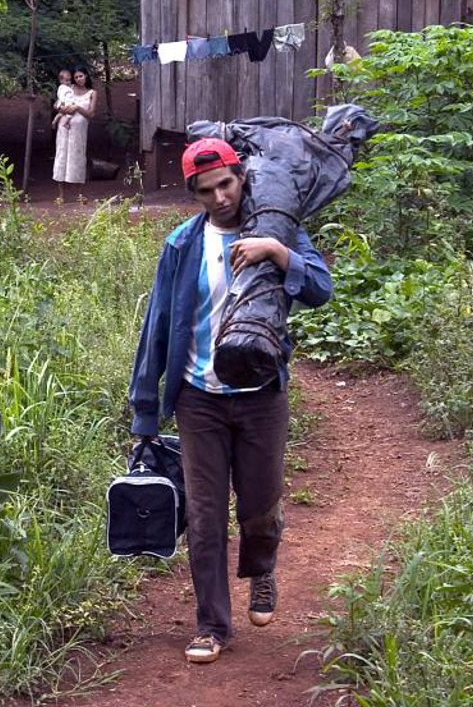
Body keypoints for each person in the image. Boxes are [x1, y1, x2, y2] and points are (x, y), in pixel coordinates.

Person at [127, 138, 333, 664]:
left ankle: (261, 569)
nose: (220, 197)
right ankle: (211, 626)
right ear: (194, 194)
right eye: (206, 190)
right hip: (199, 398)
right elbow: (159, 327)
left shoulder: (276, 228)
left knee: (260, 506)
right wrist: (145, 410)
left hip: (261, 394)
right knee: (204, 514)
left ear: (242, 178)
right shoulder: (181, 245)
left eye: (226, 184)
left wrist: (277, 253)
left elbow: (321, 288)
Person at [51, 65, 96, 202]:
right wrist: (64, 109)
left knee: (78, 158)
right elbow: (57, 105)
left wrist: (77, 108)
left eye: (81, 76)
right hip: (64, 128)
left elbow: (91, 114)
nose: (78, 79)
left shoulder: (92, 93)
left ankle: (80, 194)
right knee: (61, 157)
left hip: (79, 130)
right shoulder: (68, 89)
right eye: (76, 77)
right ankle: (61, 195)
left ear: (86, 76)